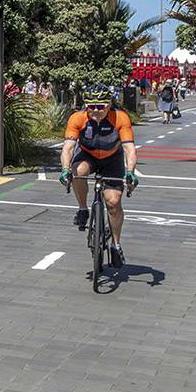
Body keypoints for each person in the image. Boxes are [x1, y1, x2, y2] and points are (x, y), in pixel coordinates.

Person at [58, 86, 139, 268]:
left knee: (113, 203)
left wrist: (130, 172)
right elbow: (68, 148)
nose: (96, 110)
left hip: (112, 158)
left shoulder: (120, 118)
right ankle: (82, 208)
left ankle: (116, 245)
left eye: (101, 106)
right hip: (88, 155)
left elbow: (129, 149)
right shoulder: (77, 118)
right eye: (91, 106)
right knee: (77, 172)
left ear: (109, 104)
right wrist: (65, 169)